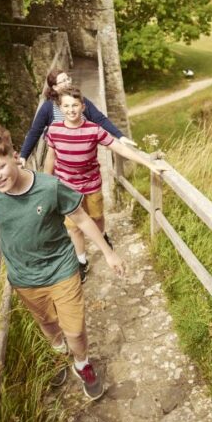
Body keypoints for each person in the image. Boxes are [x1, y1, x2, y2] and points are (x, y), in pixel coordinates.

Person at [0, 122, 127, 399]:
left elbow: (82, 219)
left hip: (62, 269)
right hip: (24, 278)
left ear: (14, 155)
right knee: (50, 326)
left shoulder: (50, 187)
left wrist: (108, 253)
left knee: (74, 330)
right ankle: (59, 350)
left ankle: (82, 363)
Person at [44, 87, 168, 283]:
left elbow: (117, 146)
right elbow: (51, 156)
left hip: (91, 184)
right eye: (66, 106)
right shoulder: (54, 130)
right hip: (66, 188)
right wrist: (46, 181)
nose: (71, 109)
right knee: (74, 228)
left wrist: (146, 163)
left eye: (75, 105)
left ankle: (101, 235)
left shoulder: (94, 129)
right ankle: (81, 261)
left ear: (83, 106)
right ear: (60, 107)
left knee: (96, 217)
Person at [19, 70, 136, 167]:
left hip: (84, 160)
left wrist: (119, 135)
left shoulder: (81, 101)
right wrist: (24, 155)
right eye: (63, 81)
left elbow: (100, 119)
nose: (68, 82)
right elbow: (35, 132)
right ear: (54, 87)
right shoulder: (48, 107)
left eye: (67, 79)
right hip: (61, 163)